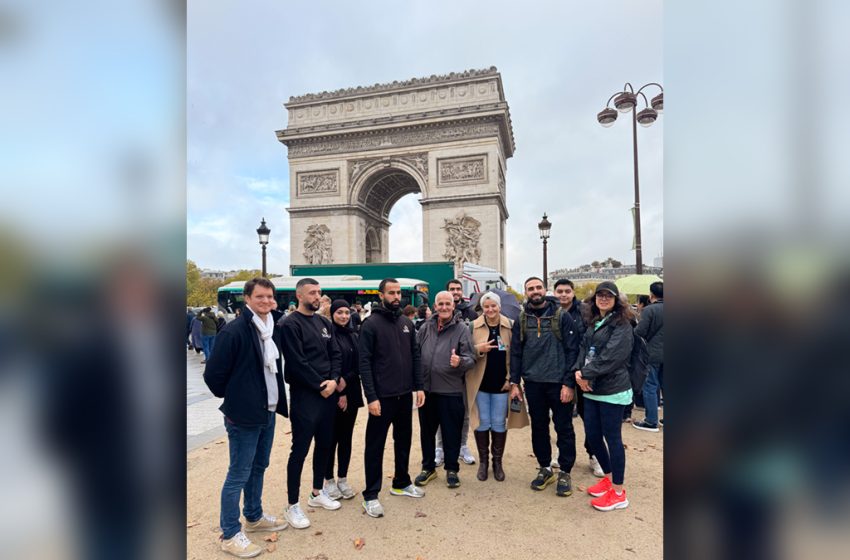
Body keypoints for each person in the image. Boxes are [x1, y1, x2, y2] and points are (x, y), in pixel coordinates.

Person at [203, 277, 289, 558]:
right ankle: (229, 533)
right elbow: (213, 375)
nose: (266, 301)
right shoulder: (235, 330)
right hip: (244, 414)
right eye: (260, 297)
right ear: (247, 298)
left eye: (270, 297)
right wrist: (238, 396)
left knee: (259, 466)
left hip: (268, 409)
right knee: (238, 473)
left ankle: (253, 516)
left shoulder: (270, 327)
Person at [358, 278, 425, 518]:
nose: (396, 297)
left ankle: (401, 482)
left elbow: (415, 356)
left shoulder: (407, 323)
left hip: (404, 394)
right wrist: (371, 397)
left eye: (398, 293)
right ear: (381, 295)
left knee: (404, 440)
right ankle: (371, 494)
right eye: (391, 293)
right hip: (381, 397)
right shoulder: (370, 325)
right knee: (375, 446)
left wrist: (419, 387)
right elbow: (363, 363)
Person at [279, 278, 343, 529]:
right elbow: (296, 363)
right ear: (299, 295)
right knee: (300, 450)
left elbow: (335, 354)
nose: (317, 297)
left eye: (319, 293)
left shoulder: (324, 322)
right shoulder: (289, 324)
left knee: (325, 446)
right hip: (306, 397)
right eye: (312, 293)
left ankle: (317, 492)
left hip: (327, 393)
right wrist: (321, 385)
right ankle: (292, 504)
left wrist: (334, 380)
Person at [509, 276, 580, 497]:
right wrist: (514, 382)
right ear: (526, 292)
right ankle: (545, 467)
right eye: (530, 288)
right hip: (533, 383)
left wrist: (569, 383)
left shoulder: (562, 316)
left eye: (538, 287)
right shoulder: (521, 319)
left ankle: (565, 471)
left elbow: (573, 351)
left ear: (545, 289)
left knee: (564, 427)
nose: (535, 291)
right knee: (539, 427)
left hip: (559, 383)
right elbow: (516, 353)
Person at [574, 281, 635, 511]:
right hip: (592, 388)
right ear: (594, 299)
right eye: (600, 295)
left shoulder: (622, 324)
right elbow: (583, 348)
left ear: (616, 300)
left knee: (613, 439)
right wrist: (579, 374)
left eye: (608, 296)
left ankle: (619, 492)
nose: (603, 299)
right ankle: (609, 478)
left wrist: (584, 374)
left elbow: (612, 357)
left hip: (612, 389)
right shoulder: (595, 321)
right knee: (593, 435)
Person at [414, 291, 476, 488]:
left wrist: (460, 361)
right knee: (427, 432)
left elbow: (471, 359)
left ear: (453, 305)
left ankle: (452, 469)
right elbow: (415, 354)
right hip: (427, 391)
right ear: (435, 305)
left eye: (447, 304)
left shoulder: (462, 329)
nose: (444, 307)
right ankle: (428, 468)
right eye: (440, 303)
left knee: (451, 433)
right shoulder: (425, 328)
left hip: (451, 390)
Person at [467, 292, 529, 482]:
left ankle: (497, 462)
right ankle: (484, 462)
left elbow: (517, 355)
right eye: (486, 306)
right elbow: (466, 351)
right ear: (482, 308)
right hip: (481, 383)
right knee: (483, 422)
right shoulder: (472, 326)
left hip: (503, 384)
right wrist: (479, 349)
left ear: (499, 307)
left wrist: (512, 380)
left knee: (499, 423)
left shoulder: (510, 325)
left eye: (493, 306)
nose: (490, 309)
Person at [553, 278, 602, 477]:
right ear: (555, 293)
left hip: (583, 372)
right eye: (559, 291)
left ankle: (594, 454)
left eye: (567, 291)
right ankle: (563, 452)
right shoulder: (550, 312)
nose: (563, 294)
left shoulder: (586, 312)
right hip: (560, 372)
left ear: (573, 292)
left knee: (589, 418)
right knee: (561, 418)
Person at [434, 280, 478, 466]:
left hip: (464, 371)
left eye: (458, 289)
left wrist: (476, 349)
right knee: (439, 413)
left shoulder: (472, 313)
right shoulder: (434, 320)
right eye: (452, 289)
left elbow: (474, 342)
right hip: (442, 374)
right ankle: (440, 447)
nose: (455, 292)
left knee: (464, 413)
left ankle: (462, 445)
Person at [323, 299, 364, 501]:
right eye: (339, 312)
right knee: (331, 438)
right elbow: (327, 363)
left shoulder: (354, 336)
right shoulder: (327, 336)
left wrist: (345, 382)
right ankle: (328, 479)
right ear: (332, 314)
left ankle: (342, 478)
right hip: (333, 393)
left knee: (346, 437)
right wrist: (339, 388)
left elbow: (360, 364)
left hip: (352, 390)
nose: (344, 316)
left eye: (347, 313)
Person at [633, 281, 664, 432]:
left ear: (651, 294)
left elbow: (639, 332)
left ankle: (651, 421)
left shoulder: (649, 310)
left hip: (652, 353)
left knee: (650, 386)